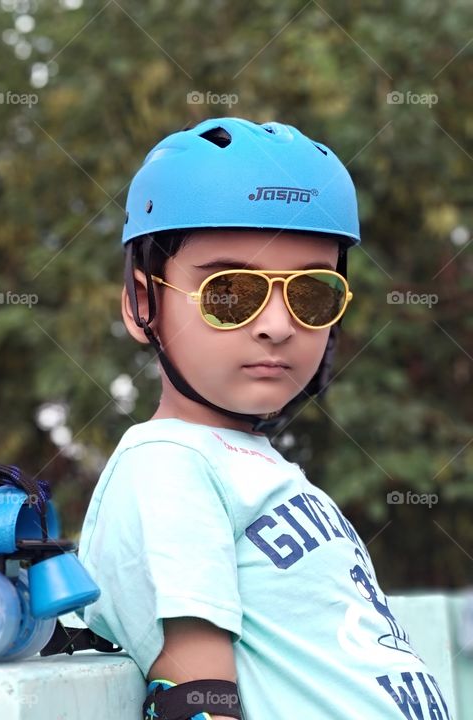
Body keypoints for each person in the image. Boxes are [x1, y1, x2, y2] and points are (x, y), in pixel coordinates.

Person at [76, 117, 454, 719]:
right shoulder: (168, 467)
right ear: (142, 302)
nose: (277, 324)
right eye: (231, 291)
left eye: (311, 294)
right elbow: (198, 702)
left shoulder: (256, 469)